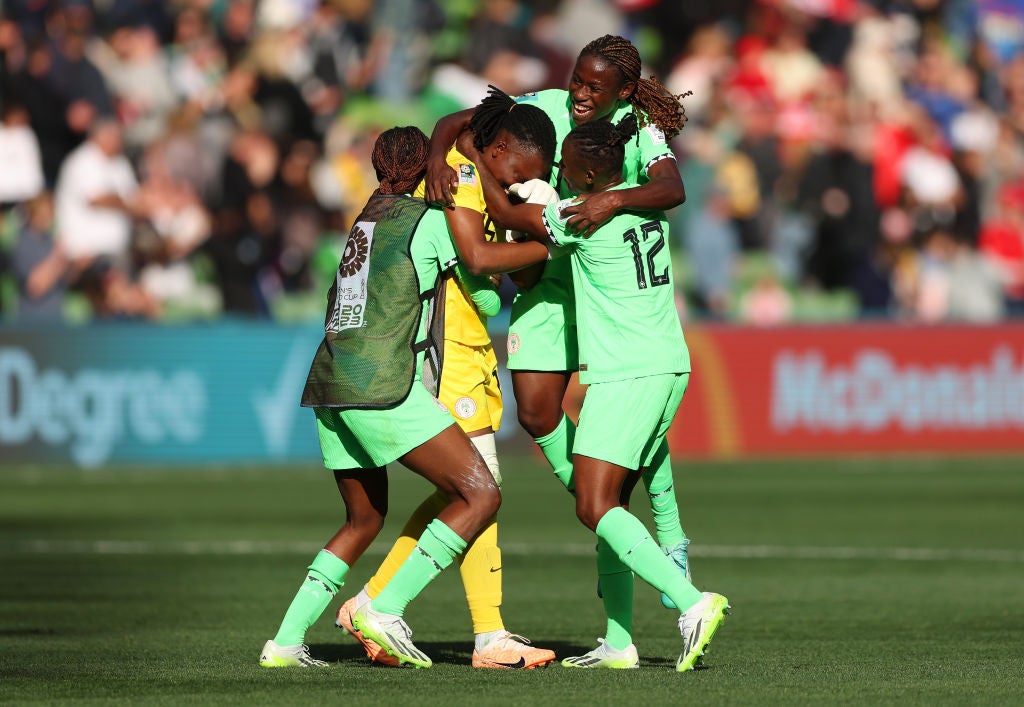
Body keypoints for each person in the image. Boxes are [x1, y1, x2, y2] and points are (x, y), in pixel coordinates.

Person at [258, 126, 547, 669]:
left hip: (329, 381)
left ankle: (285, 643)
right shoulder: (429, 222)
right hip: (382, 383)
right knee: (480, 494)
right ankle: (384, 610)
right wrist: (546, 240)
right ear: (425, 170)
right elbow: (485, 287)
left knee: (363, 521)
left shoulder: (363, 221)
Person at [424, 34, 694, 609]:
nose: (580, 93)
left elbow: (673, 188)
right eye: (577, 79)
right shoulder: (545, 105)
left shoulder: (641, 126)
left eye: (595, 86)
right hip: (548, 273)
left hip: (603, 282)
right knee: (536, 411)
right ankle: (614, 522)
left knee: (628, 415)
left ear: (624, 91)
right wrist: (435, 162)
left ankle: (667, 537)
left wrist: (611, 201)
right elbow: (458, 122)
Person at [477, 115, 730, 672]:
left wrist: (477, 163)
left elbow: (506, 216)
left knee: (593, 504)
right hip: (669, 362)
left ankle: (692, 603)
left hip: (628, 372)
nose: (561, 175)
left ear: (590, 175)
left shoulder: (582, 217)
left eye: (567, 167)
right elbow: (663, 187)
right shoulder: (645, 208)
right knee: (612, 504)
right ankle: (619, 643)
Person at [335, 87, 559, 669]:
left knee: (465, 491)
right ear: (499, 149)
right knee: (479, 488)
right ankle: (483, 634)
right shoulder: (459, 175)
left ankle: (373, 602)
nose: (520, 183)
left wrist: (528, 228)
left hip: (473, 343)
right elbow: (478, 259)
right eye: (519, 172)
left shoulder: (486, 174)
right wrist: (550, 242)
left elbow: (470, 121)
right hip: (445, 342)